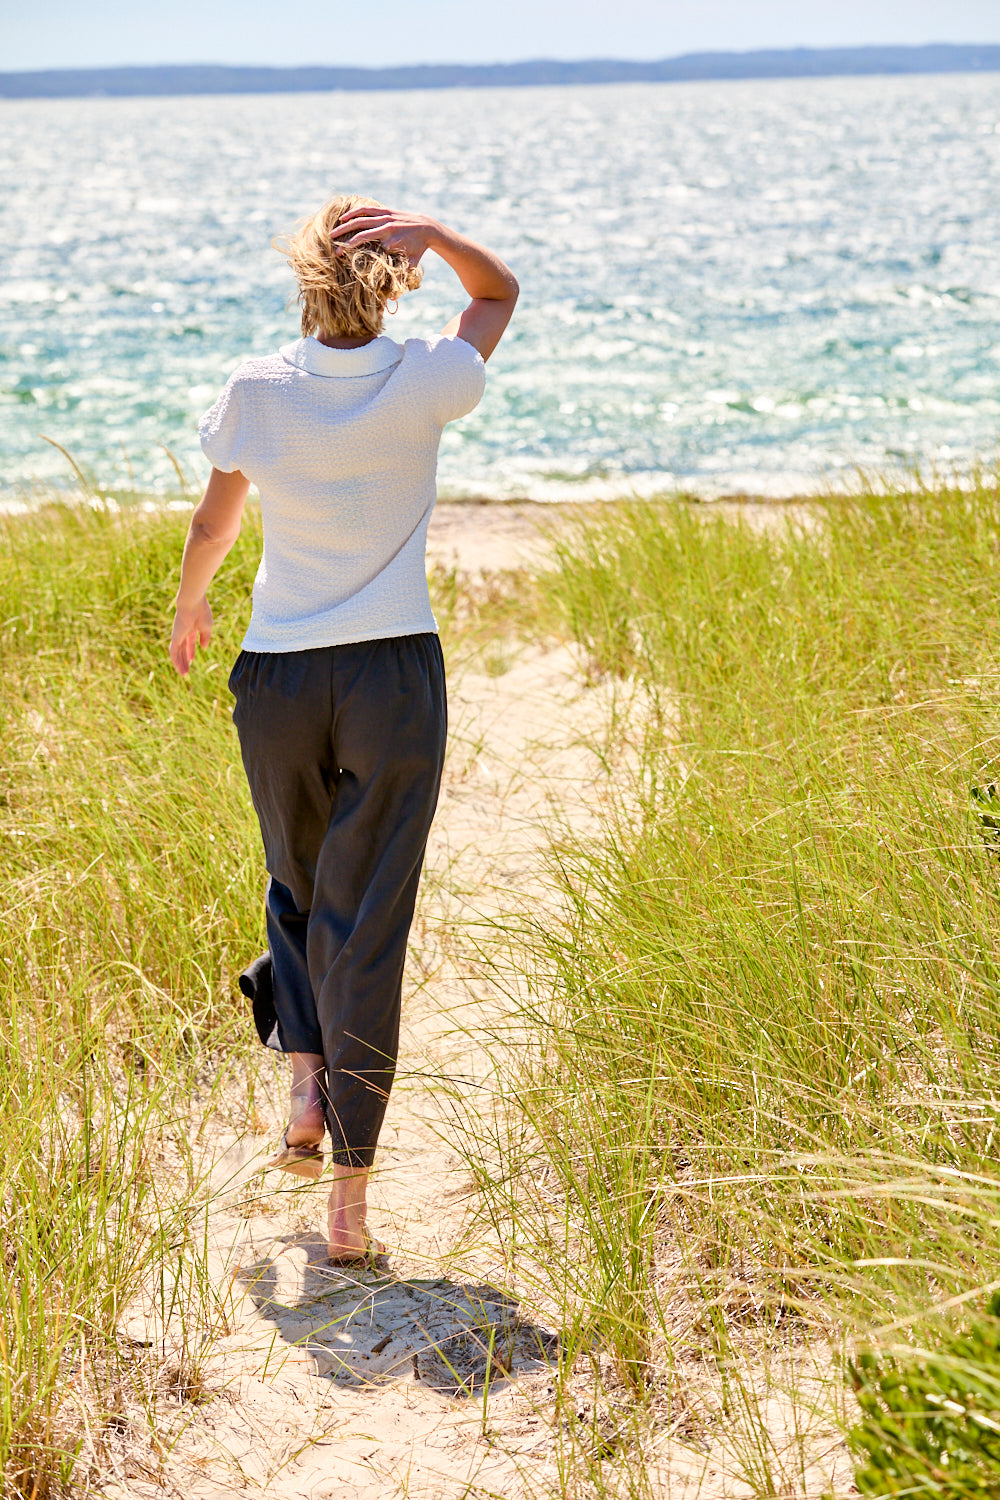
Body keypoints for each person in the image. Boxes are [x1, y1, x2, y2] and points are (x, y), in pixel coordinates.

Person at [169, 196, 518, 1263]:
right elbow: (498, 292)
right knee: (367, 920)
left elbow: (215, 518)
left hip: (276, 676)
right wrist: (441, 231)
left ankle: (305, 1084)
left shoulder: (257, 390)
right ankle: (350, 1209)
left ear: (305, 278)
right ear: (394, 277)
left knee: (298, 884)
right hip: (391, 679)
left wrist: (193, 602)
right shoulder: (426, 379)